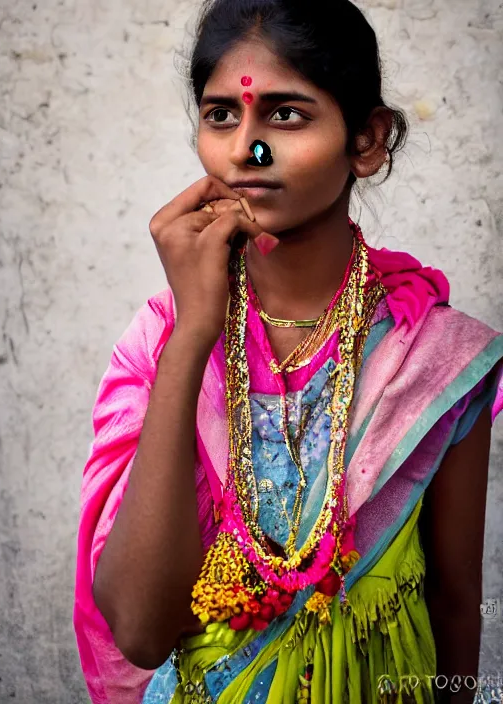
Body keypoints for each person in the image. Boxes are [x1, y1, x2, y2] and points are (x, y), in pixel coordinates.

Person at [73, 1, 503, 702]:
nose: (247, 149)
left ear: (366, 140)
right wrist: (194, 337)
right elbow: (143, 632)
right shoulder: (161, 340)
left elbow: (457, 601)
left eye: (285, 115)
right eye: (222, 116)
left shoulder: (436, 357)